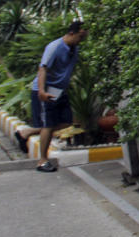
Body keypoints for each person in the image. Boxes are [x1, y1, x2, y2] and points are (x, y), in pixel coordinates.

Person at [14, 20, 88, 172]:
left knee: (67, 121)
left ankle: (26, 133)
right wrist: (41, 91)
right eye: (81, 36)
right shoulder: (54, 47)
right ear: (72, 33)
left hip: (60, 91)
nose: (83, 39)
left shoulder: (74, 49)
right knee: (48, 125)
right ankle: (42, 161)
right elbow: (43, 69)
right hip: (45, 90)